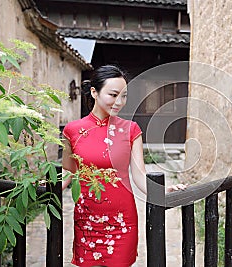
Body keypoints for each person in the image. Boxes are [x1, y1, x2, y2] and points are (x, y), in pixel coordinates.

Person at [62, 65, 185, 267]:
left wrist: (162, 190)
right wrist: (42, 189)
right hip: (87, 218)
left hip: (122, 218)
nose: (119, 102)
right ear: (94, 92)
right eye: (113, 95)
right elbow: (68, 172)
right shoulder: (72, 131)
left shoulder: (131, 130)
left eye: (124, 96)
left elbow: (139, 176)